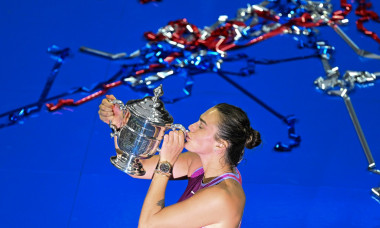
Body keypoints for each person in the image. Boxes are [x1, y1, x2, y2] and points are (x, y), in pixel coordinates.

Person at [98, 94, 262, 228]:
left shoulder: (222, 197)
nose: (191, 126)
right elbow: (136, 167)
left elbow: (148, 225)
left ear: (221, 144)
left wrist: (166, 163)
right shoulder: (198, 162)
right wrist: (120, 126)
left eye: (201, 126)